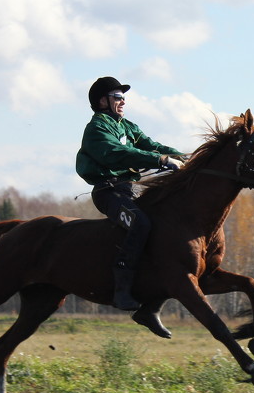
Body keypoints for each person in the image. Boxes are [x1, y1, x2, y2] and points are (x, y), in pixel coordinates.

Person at [76, 76, 187, 310]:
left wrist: (186, 157)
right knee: (140, 224)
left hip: (131, 189)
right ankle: (121, 290)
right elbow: (118, 153)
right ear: (102, 102)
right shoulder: (96, 128)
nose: (123, 102)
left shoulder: (127, 126)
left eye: (124, 98)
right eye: (117, 97)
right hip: (109, 192)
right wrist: (161, 161)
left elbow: (152, 146)